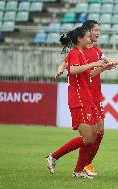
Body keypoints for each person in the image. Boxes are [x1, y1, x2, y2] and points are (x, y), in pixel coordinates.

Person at [55, 20, 118, 176]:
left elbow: (105, 62)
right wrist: (60, 69)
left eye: (99, 30)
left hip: (94, 96)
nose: (98, 33)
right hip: (82, 97)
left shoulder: (96, 51)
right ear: (87, 32)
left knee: (99, 132)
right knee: (90, 135)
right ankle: (81, 166)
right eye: (96, 30)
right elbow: (67, 64)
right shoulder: (78, 52)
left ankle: (85, 165)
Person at [46, 26, 106, 179]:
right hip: (79, 100)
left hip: (88, 99)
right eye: (88, 36)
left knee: (92, 137)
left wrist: (103, 67)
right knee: (88, 138)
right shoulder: (74, 53)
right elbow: (72, 70)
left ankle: (78, 170)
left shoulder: (81, 54)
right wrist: (93, 64)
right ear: (80, 39)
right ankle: (54, 156)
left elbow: (89, 74)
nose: (90, 39)